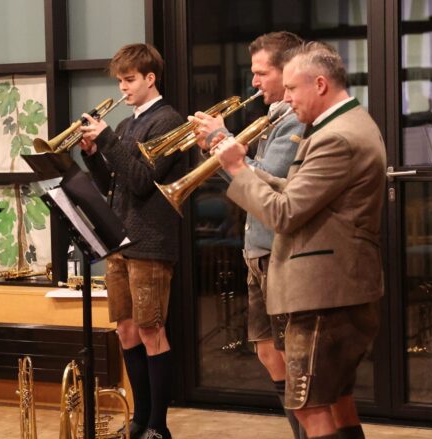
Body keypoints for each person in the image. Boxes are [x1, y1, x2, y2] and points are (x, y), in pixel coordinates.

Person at [213, 42, 386, 439]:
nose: (287, 98)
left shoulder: (336, 137)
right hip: (337, 287)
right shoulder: (347, 124)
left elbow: (284, 213)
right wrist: (248, 173)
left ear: (320, 84)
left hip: (324, 292)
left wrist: (238, 169)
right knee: (338, 401)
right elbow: (297, 192)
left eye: (292, 88)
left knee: (309, 408)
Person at [190, 31, 307, 439]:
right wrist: (220, 151)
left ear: (286, 71)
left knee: (290, 357)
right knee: (267, 350)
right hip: (256, 247)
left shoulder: (293, 119)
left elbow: (267, 180)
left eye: (261, 73)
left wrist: (223, 142)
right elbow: (247, 176)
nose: (253, 82)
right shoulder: (273, 117)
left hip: (277, 250)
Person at [78, 43, 187, 439]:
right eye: (120, 81)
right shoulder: (126, 125)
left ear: (150, 78)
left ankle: (158, 426)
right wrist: (93, 154)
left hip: (150, 242)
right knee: (126, 330)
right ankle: (140, 419)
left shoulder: (168, 121)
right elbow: (113, 184)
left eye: (129, 80)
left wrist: (107, 140)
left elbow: (141, 182)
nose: (122, 88)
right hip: (119, 241)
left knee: (151, 330)